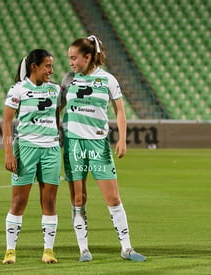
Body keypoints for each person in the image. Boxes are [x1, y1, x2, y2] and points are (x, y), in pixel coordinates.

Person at [60, 35, 146, 262]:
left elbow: (120, 111)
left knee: (114, 198)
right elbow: (56, 108)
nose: (71, 62)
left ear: (88, 57)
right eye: (69, 58)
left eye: (74, 58)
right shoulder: (68, 79)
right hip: (73, 144)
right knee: (78, 199)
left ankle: (126, 248)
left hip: (98, 143)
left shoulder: (108, 80)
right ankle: (84, 250)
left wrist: (122, 139)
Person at [2, 49, 61, 264]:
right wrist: (9, 152)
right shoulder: (18, 90)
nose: (51, 70)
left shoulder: (55, 90)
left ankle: (48, 250)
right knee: (18, 201)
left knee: (49, 201)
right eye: (47, 66)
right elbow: (7, 121)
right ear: (34, 67)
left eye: (52, 66)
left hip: (51, 149)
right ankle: (10, 251)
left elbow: (58, 114)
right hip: (25, 149)